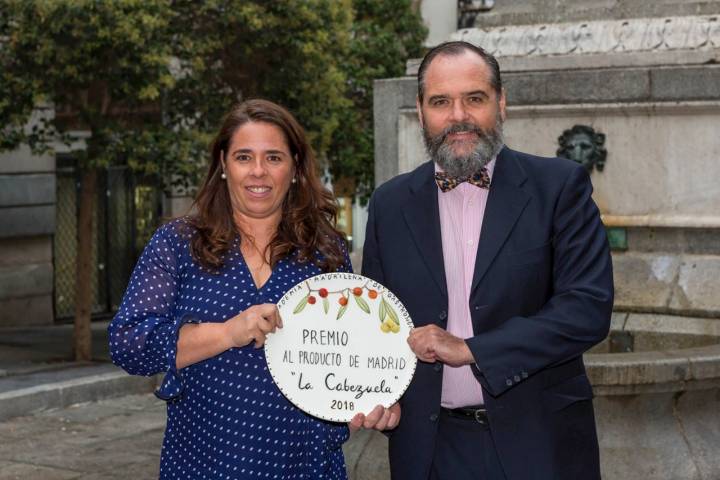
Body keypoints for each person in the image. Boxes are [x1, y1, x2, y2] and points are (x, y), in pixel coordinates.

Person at [362, 41, 613, 480]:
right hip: (428, 453)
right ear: (421, 112)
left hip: (540, 447)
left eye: (474, 98)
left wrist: (471, 350)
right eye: (441, 102)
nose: (458, 116)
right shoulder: (388, 204)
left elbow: (586, 309)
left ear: (501, 104)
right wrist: (375, 397)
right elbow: (376, 326)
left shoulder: (559, 187)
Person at [109, 99, 396, 479]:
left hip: (306, 466)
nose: (258, 171)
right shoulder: (178, 243)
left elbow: (352, 349)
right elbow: (128, 344)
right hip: (205, 463)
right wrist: (227, 332)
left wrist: (372, 397)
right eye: (244, 157)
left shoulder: (325, 250)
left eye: (273, 158)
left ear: (294, 167)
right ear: (223, 166)